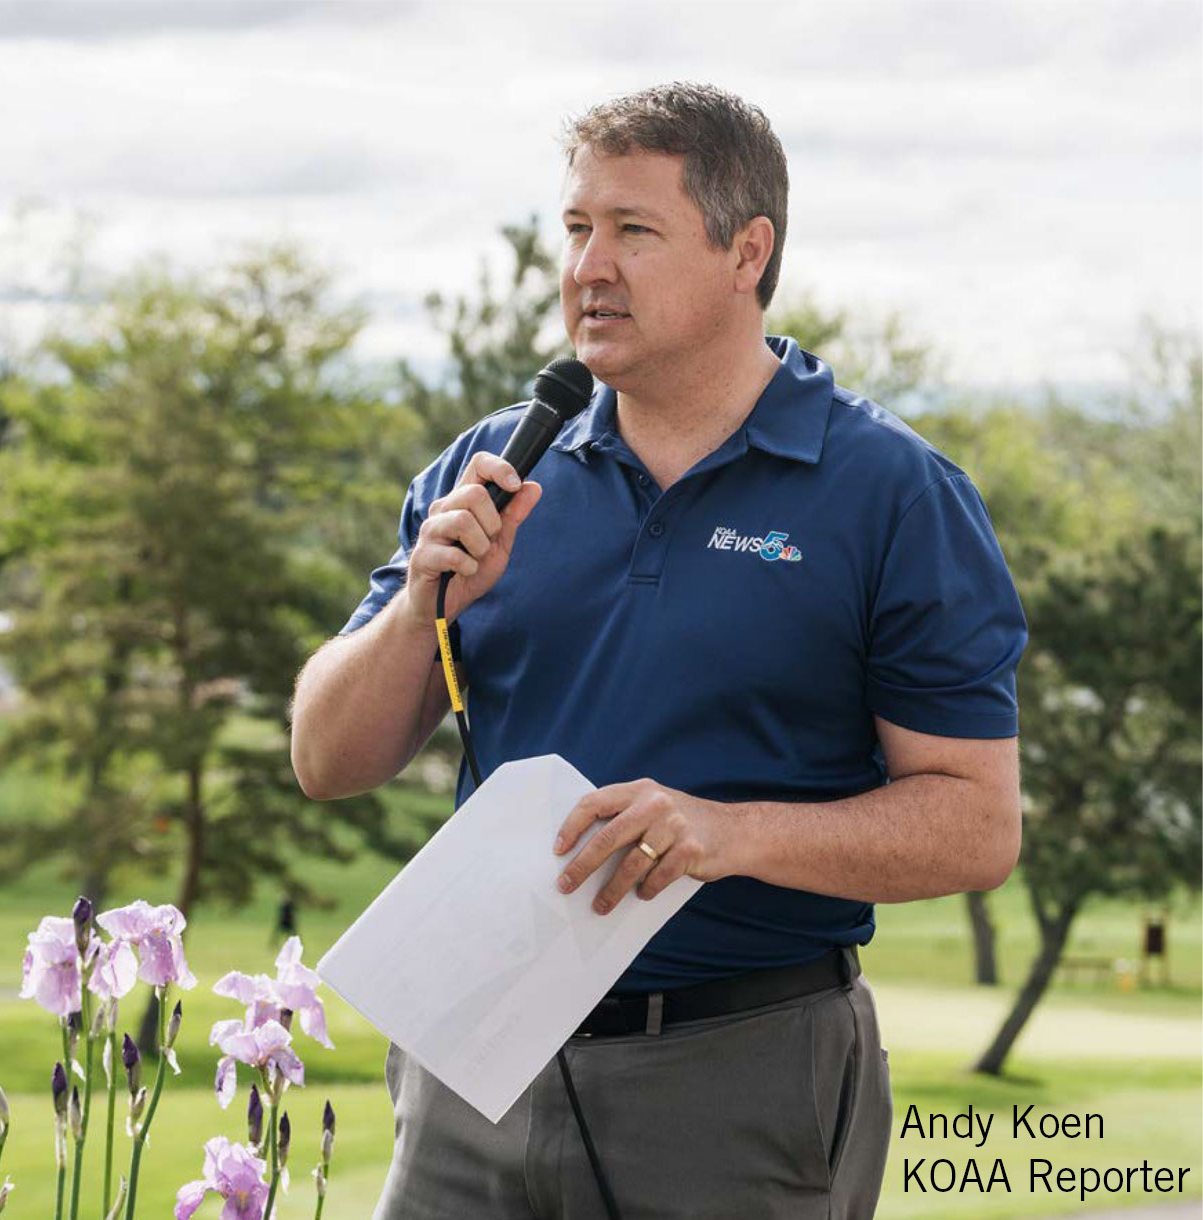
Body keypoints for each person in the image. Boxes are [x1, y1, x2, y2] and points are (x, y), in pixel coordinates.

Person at [290, 83, 1026, 1220]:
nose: (589, 264)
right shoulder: (492, 466)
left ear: (746, 252)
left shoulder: (891, 494)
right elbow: (326, 757)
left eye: (632, 230)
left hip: (736, 1070)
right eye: (575, 228)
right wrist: (420, 610)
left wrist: (728, 833)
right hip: (470, 1060)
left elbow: (976, 822)